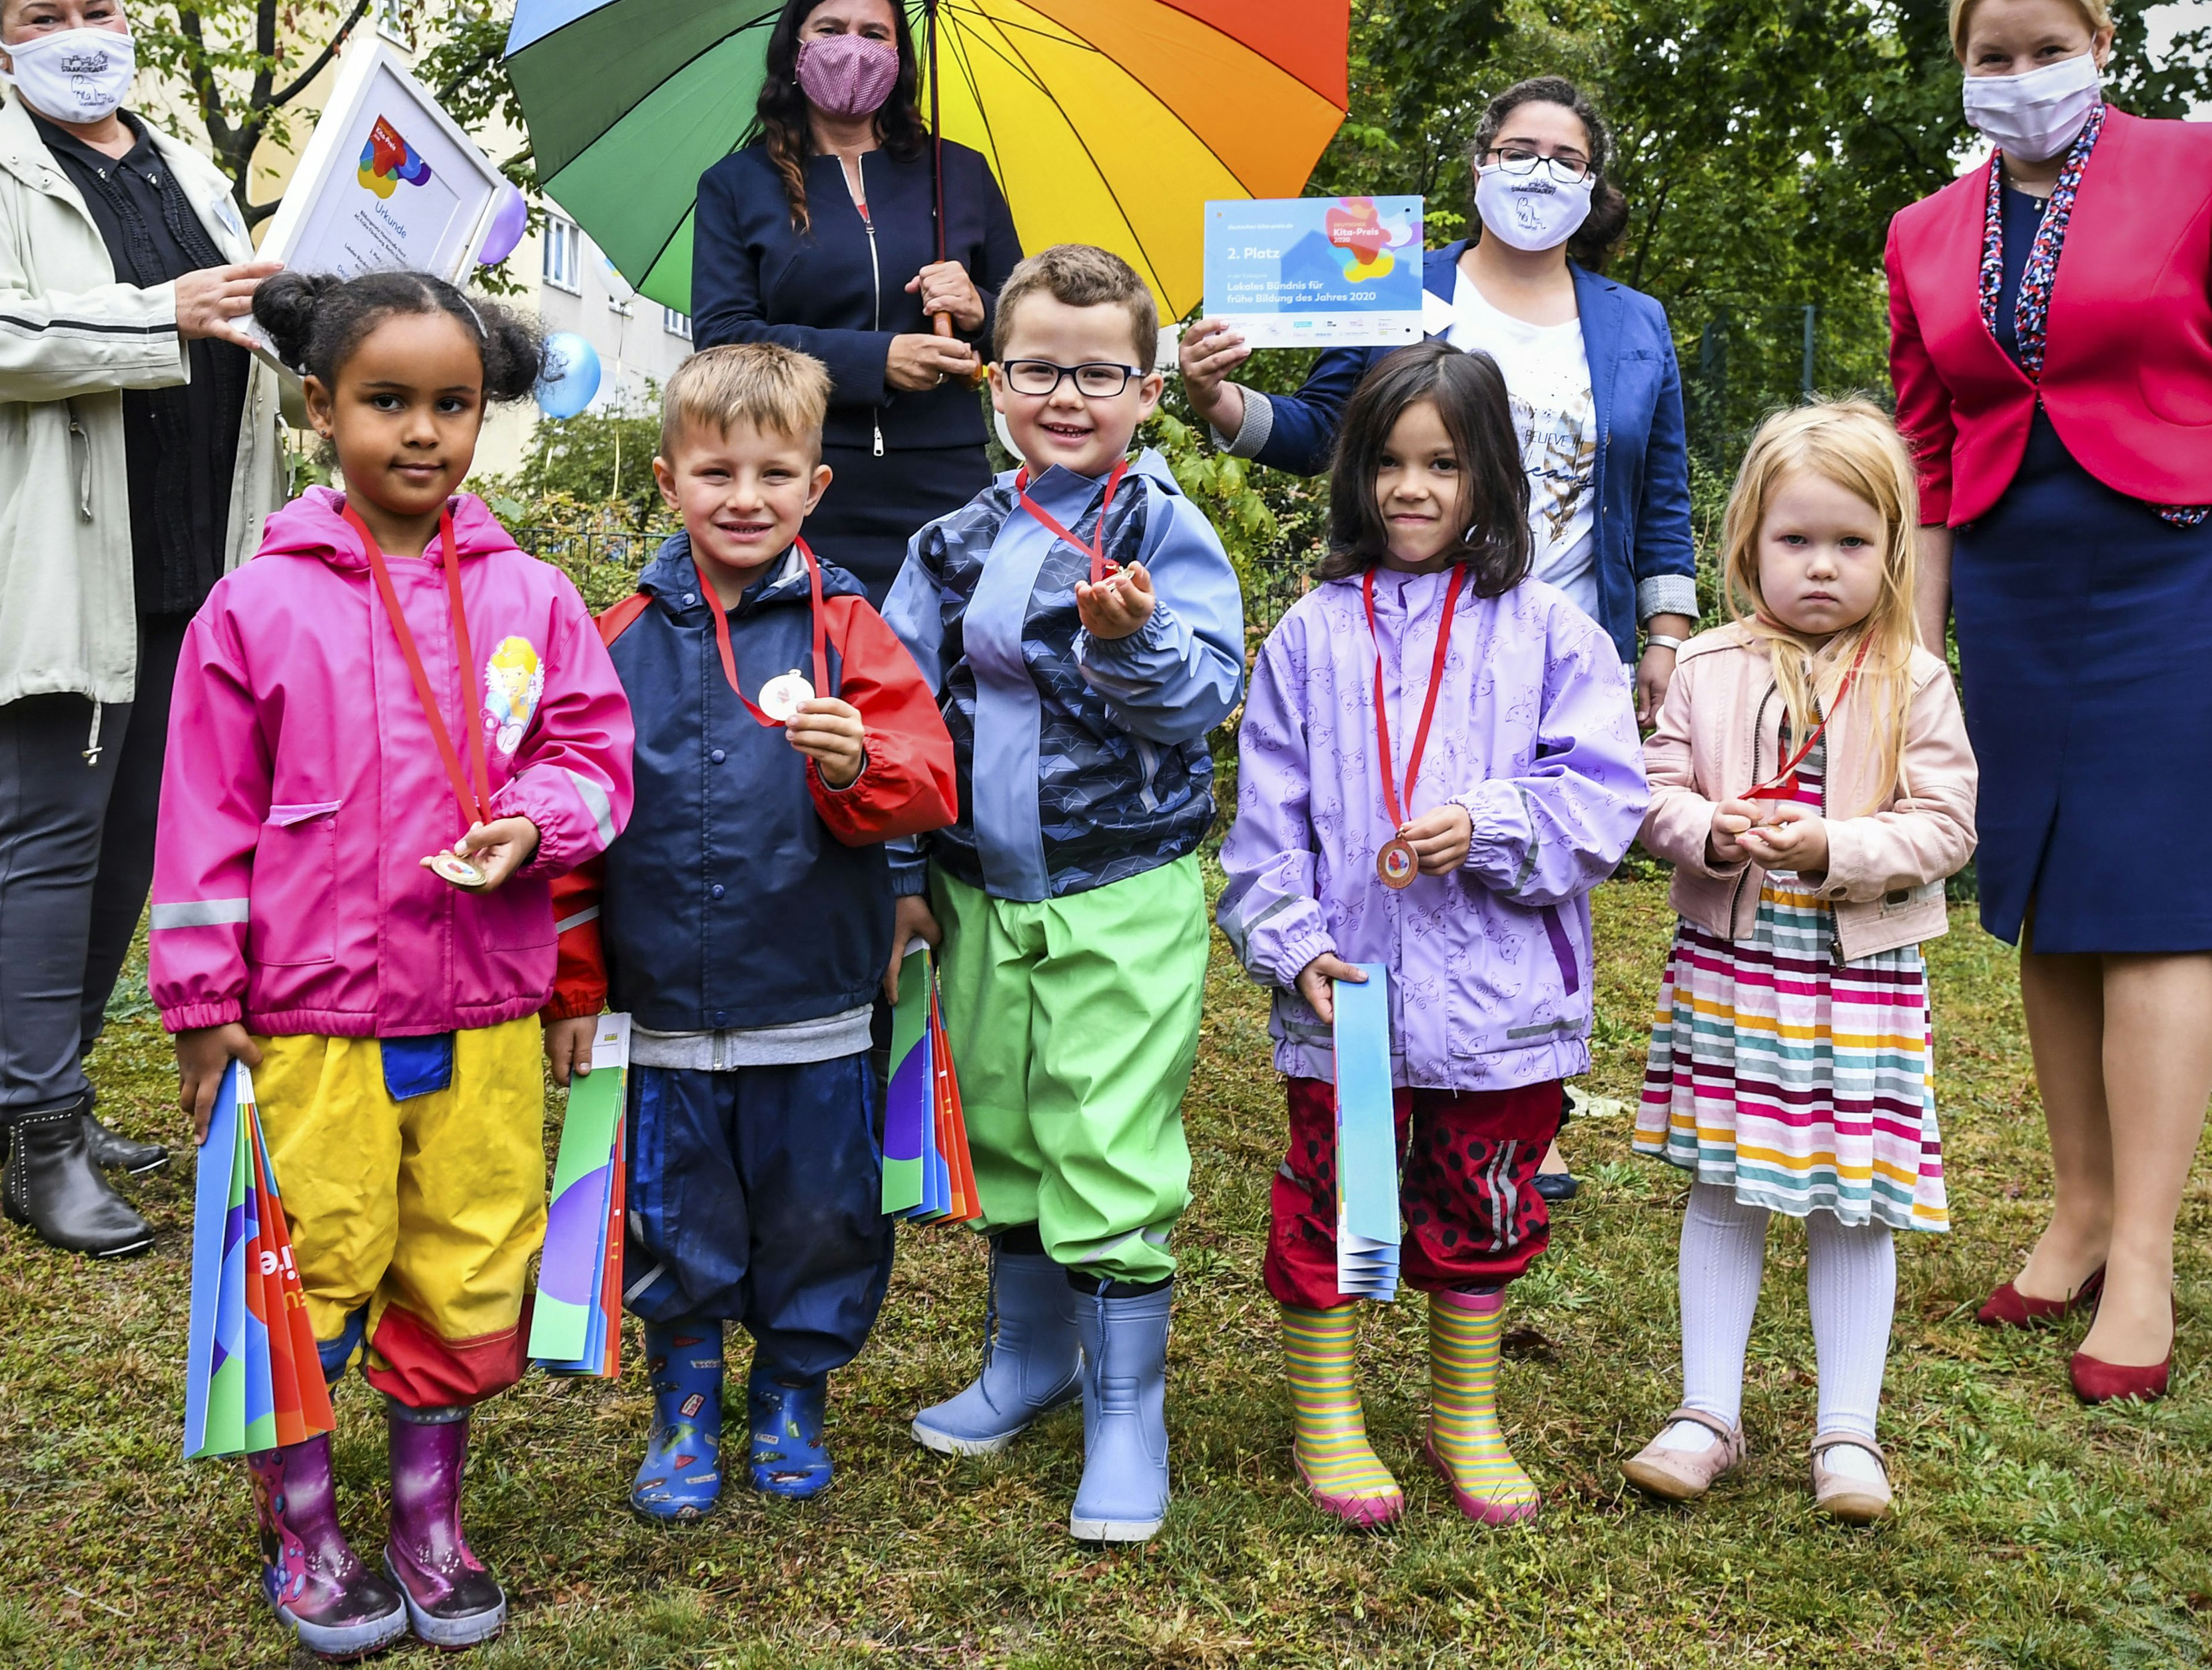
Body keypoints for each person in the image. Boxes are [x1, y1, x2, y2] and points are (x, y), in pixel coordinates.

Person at [1885, 0, 2212, 1404]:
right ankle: (2074, 1207)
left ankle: (2139, 1250)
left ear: (2100, 45)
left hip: (2179, 571)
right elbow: (1925, 451)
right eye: (1989, 56)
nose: (2018, 76)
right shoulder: (1920, 232)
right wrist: (1910, 647)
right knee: (2044, 901)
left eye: (2044, 49)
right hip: (2012, 585)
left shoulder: (2207, 165)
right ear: (1960, 67)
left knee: (2150, 908)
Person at [146, 271, 633, 1655]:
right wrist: (201, 1007)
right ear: (318, 407)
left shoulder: (535, 594)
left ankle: (427, 1513)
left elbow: (597, 755)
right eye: (387, 401)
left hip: (481, 1007)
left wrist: (533, 823)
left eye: (452, 403)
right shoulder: (253, 610)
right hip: (309, 1024)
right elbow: (200, 821)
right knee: (308, 1264)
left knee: (470, 1261)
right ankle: (302, 1523)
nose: (422, 432)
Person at [0, 0, 286, 1258]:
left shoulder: (179, 162)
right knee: (50, 837)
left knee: (133, 843)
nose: (79, 35)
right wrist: (159, 314)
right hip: (65, 560)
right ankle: (41, 1141)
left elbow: (227, 320)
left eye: (95, 8)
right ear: (0, 41)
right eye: (45, 16)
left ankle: (42, 1098)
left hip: (191, 558)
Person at [1216, 342, 1650, 1531]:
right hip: (1347, 997)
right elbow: (1266, 824)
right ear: (1354, 475)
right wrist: (1292, 944)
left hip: (1499, 1004)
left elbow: (1606, 798)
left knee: (1485, 1205)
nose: (1412, 490)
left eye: (1442, 465)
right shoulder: (1308, 631)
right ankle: (1330, 1420)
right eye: (1389, 465)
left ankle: (1461, 1416)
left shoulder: (1551, 629)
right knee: (1335, 1202)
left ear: (1488, 476)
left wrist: (1495, 824)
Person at [542, 343, 960, 1523]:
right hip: (661, 1009)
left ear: (814, 488)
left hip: (816, 1006)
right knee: (675, 1215)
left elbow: (928, 784)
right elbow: (570, 825)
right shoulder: (612, 637)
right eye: (715, 471)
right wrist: (577, 988)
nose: (743, 498)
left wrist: (861, 762)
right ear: (667, 480)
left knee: (820, 1215)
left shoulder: (850, 635)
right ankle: (682, 1403)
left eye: (773, 473)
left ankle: (790, 1390)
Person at [881, 244, 1246, 1544]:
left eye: (1098, 371)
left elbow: (1206, 695)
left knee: (1103, 1132)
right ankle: (1026, 1360)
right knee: (1010, 1124)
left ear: (1146, 390)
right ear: (995, 379)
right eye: (1039, 367)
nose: (1067, 394)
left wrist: (1126, 640)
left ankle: (1122, 1409)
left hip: (1118, 893)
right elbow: (899, 714)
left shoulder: (1159, 527)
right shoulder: (951, 537)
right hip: (980, 893)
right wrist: (900, 871)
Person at [1621, 401, 1976, 1523]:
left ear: (1892, 549)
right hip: (1734, 972)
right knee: (1722, 1184)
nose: (1820, 567)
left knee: (1851, 1204)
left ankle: (1847, 1437)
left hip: (1854, 982)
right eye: (1793, 541)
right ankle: (1703, 1414)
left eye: (1849, 544)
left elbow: (1945, 828)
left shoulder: (1914, 678)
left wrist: (1836, 848)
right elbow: (1648, 793)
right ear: (1747, 545)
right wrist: (1704, 830)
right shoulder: (1707, 667)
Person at [1176, 75, 1697, 725]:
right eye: (1518, 151)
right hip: (1403, 650)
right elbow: (1320, 435)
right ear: (1480, 167)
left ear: (1589, 184)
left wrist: (1666, 637)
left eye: (1566, 160)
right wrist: (1214, 394)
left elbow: (1661, 498)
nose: (1540, 172)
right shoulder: (1394, 280)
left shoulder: (1638, 322)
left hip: (1569, 659)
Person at [692, 0, 1021, 600]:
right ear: (794, 48)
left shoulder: (959, 175)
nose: (852, 48)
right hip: (801, 483)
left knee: (945, 688)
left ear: (900, 55)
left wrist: (981, 307)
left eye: (874, 35)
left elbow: (1033, 330)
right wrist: (879, 360)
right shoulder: (736, 186)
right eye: (830, 29)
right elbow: (725, 340)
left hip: (946, 483)